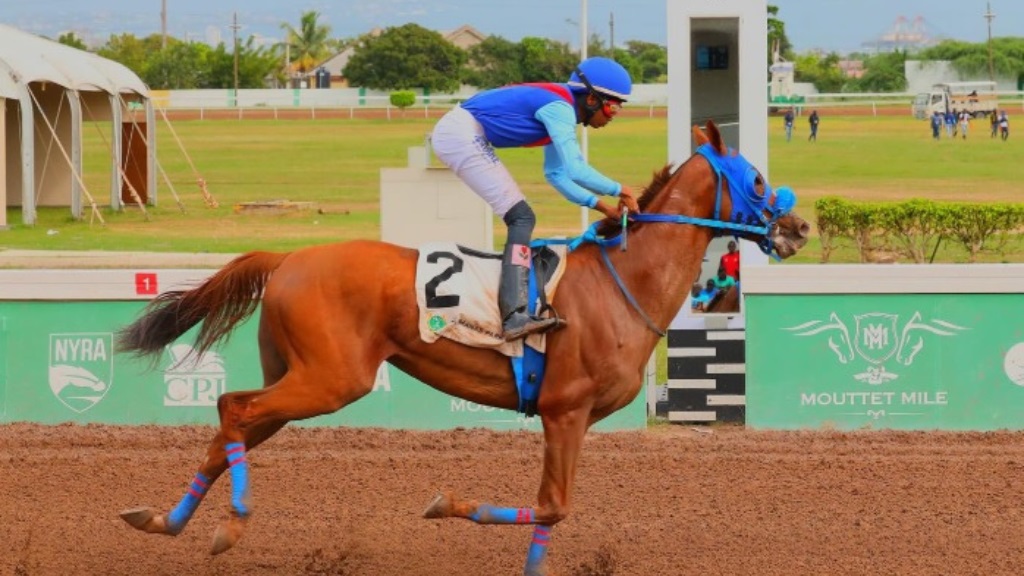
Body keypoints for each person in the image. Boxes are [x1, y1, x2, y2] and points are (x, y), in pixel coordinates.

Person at [430, 57, 640, 341]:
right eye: (613, 106)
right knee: (522, 216)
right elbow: (576, 168)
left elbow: (556, 174)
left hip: (462, 132)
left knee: (522, 216)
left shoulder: (563, 110)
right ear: (591, 98)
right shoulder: (560, 109)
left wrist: (601, 206)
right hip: (461, 134)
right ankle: (513, 315)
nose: (615, 114)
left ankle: (515, 311)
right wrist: (621, 190)